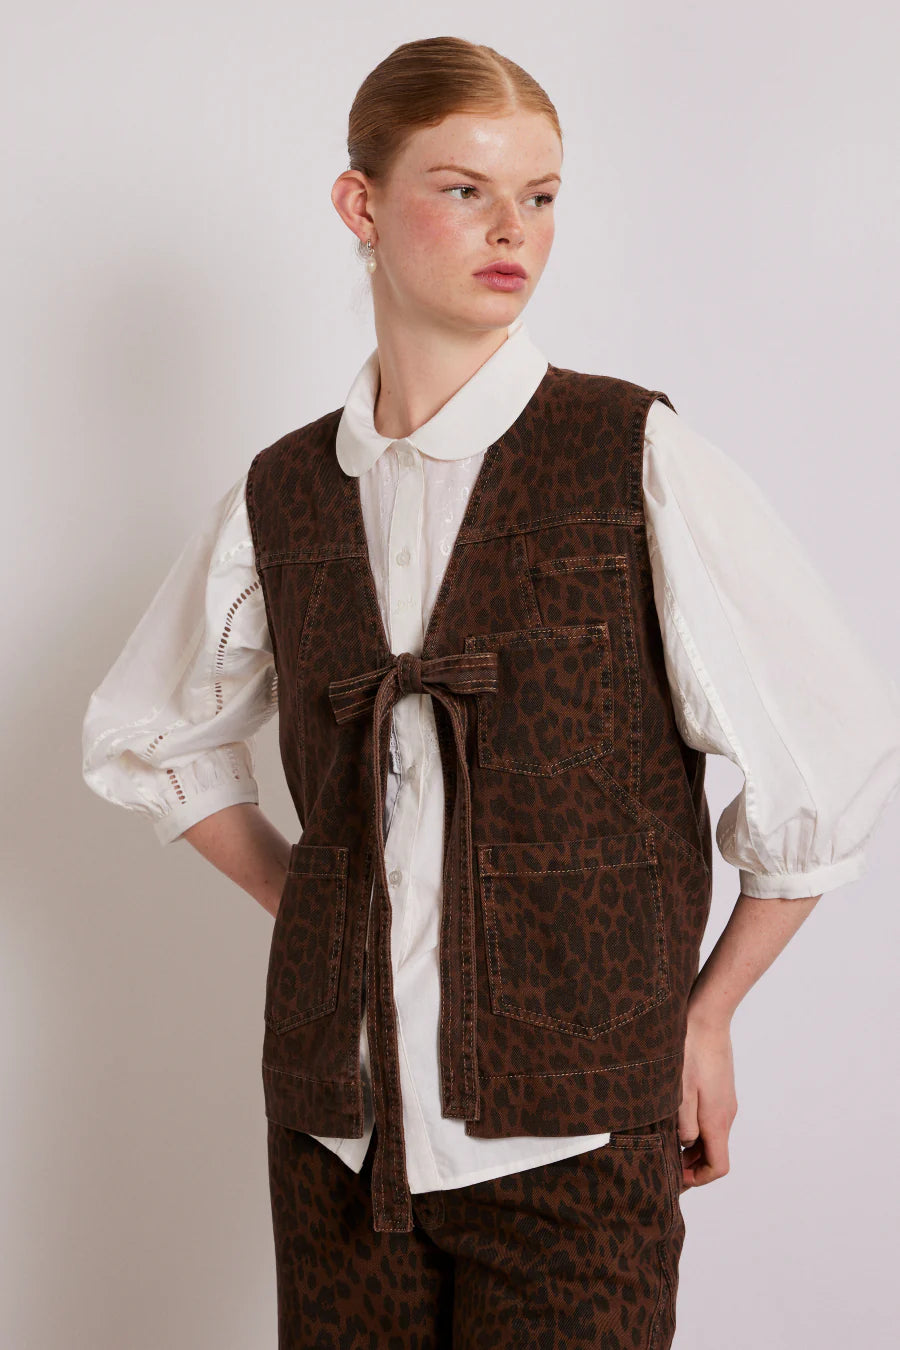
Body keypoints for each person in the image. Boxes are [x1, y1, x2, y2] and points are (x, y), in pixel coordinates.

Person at [81, 35, 900, 1350]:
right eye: (463, 189)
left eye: (541, 194)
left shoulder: (629, 454)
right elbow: (150, 736)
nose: (513, 227)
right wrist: (322, 905)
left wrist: (709, 1013)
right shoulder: (285, 492)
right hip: (340, 1136)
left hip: (580, 1140)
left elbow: (830, 752)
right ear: (361, 205)